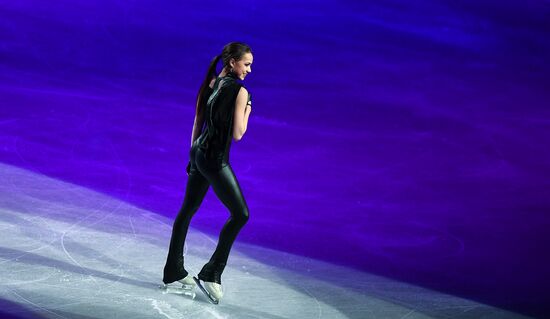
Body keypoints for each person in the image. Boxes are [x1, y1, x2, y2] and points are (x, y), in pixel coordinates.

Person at [162, 42, 253, 304]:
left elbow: (197, 121)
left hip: (199, 153)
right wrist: (248, 109)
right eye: (246, 64)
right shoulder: (240, 91)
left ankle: (173, 272)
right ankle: (212, 273)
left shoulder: (212, 82)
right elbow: (238, 134)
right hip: (215, 160)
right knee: (240, 214)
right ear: (233, 62)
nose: (249, 70)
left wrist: (192, 156)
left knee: (187, 210)